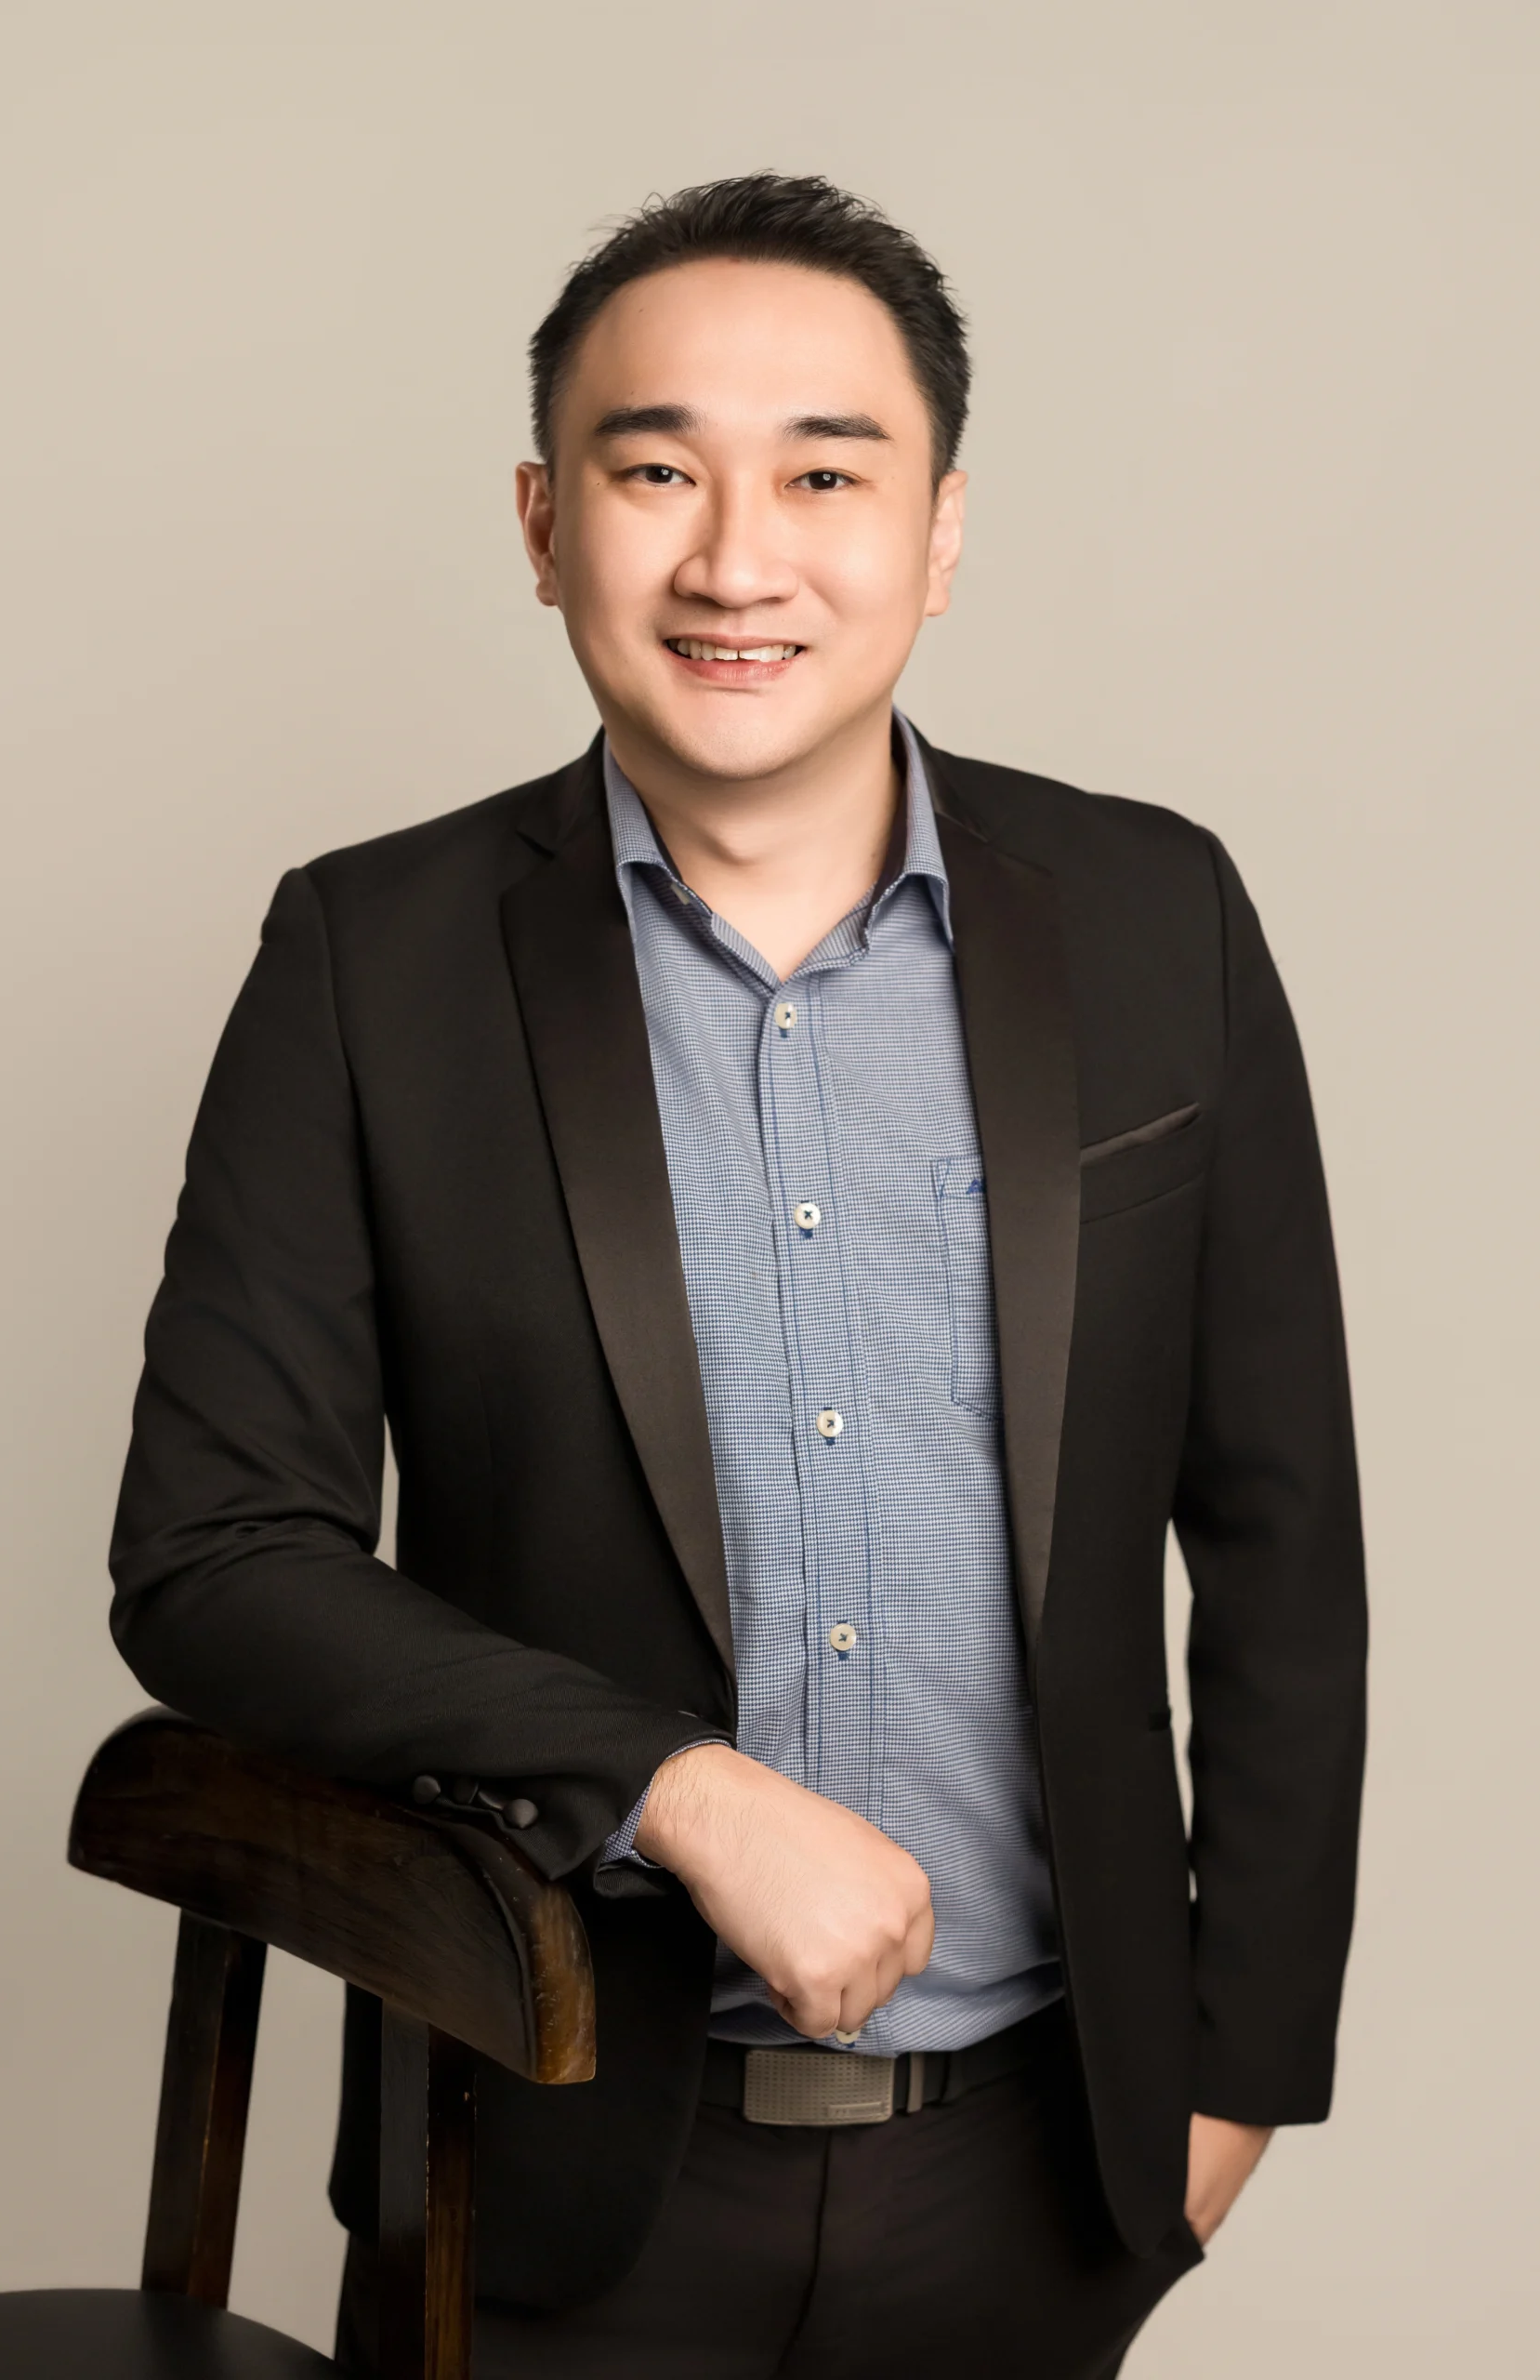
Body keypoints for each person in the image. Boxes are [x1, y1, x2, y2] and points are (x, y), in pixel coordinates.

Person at [109, 173, 1367, 2378]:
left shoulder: (1161, 916)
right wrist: (677, 1783)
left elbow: (1281, 1534)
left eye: (821, 472)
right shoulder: (364, 958)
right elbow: (214, 1553)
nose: (734, 555)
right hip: (537, 2153)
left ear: (940, 530)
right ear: (539, 518)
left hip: (1048, 2171)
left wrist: (1236, 2079)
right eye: (657, 467)